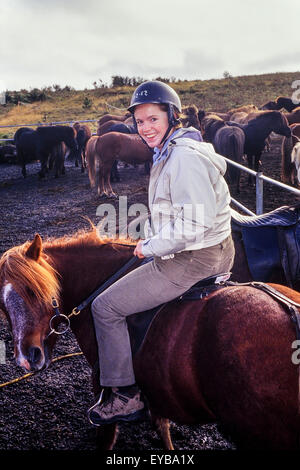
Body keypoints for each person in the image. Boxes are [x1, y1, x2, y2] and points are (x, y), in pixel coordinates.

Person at [88, 80, 235, 425]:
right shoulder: (170, 150)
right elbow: (177, 213)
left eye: (152, 119)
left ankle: (124, 395)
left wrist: (151, 247)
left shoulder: (182, 157)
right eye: (140, 122)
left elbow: (194, 223)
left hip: (195, 257)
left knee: (104, 306)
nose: (145, 128)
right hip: (203, 248)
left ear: (171, 116)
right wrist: (151, 235)